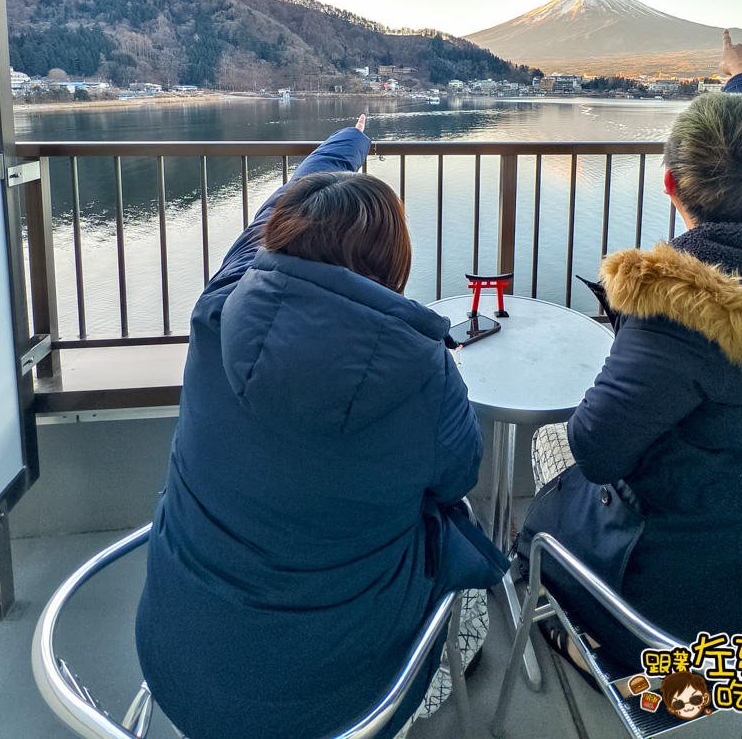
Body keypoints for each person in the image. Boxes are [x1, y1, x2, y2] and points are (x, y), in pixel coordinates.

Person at [135, 116, 506, 739]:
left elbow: (289, 198)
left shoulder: (221, 303)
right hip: (339, 707)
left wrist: (348, 140)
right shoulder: (422, 371)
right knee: (454, 547)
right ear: (393, 264)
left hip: (176, 662)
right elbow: (458, 476)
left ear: (279, 235)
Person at [521, 32, 742, 676]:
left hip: (685, 624)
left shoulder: (682, 314)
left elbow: (597, 450)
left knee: (550, 487)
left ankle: (590, 647)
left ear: (668, 186)